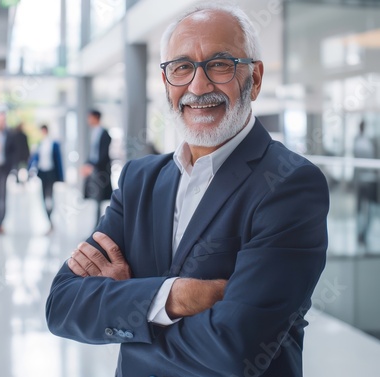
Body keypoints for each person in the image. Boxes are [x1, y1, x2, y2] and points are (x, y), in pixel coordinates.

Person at [46, 3, 329, 377]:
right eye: (181, 67)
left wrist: (130, 306)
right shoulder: (138, 180)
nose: (198, 86)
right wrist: (175, 296)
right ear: (166, 82)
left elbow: (236, 349)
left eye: (220, 64)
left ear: (255, 78)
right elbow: (62, 305)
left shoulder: (290, 183)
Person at [81, 109, 112, 225]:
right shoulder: (94, 133)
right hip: (93, 169)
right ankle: (95, 225)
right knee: (94, 197)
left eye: (89, 117)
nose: (88, 120)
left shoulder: (104, 133)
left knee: (99, 198)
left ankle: (98, 225)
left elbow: (103, 155)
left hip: (101, 170)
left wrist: (92, 166)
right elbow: (92, 153)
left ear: (95, 118)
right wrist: (86, 165)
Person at [30, 124, 64, 229]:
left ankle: (51, 217)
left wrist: (62, 177)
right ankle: (49, 218)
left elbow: (58, 161)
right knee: (44, 196)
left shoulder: (54, 144)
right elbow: (35, 159)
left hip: (51, 173)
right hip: (42, 174)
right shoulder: (39, 144)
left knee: (49, 195)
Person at [353, 120, 377, 246]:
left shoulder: (361, 141)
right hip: (366, 179)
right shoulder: (364, 142)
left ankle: (363, 233)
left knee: (365, 209)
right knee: (364, 209)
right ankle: (362, 234)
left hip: (365, 179)